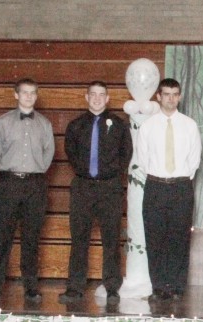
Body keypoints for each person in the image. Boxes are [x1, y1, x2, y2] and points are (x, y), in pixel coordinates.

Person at [0, 78, 55, 302]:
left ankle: (31, 287)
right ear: (16, 95)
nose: (29, 97)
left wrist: (34, 171)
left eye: (33, 93)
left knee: (31, 237)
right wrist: (9, 171)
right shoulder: (3, 122)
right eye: (24, 93)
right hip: (8, 183)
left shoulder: (45, 124)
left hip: (35, 184)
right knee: (3, 235)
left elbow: (48, 154)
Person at [58, 81, 132, 304]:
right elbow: (70, 152)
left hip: (110, 188)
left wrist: (109, 175)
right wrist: (86, 174)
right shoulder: (76, 126)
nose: (98, 98)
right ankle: (75, 287)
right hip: (83, 187)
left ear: (108, 98)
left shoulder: (119, 125)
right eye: (93, 94)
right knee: (79, 238)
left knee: (111, 239)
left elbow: (125, 154)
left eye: (102, 95)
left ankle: (111, 288)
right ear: (86, 97)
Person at [135, 78, 202, 301]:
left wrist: (178, 179)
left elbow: (194, 160)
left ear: (180, 96)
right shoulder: (148, 126)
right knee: (155, 237)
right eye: (166, 94)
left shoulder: (190, 125)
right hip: (155, 186)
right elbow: (143, 159)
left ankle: (176, 286)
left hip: (181, 186)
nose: (171, 98)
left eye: (175, 94)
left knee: (179, 238)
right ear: (158, 96)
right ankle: (159, 286)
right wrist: (160, 177)